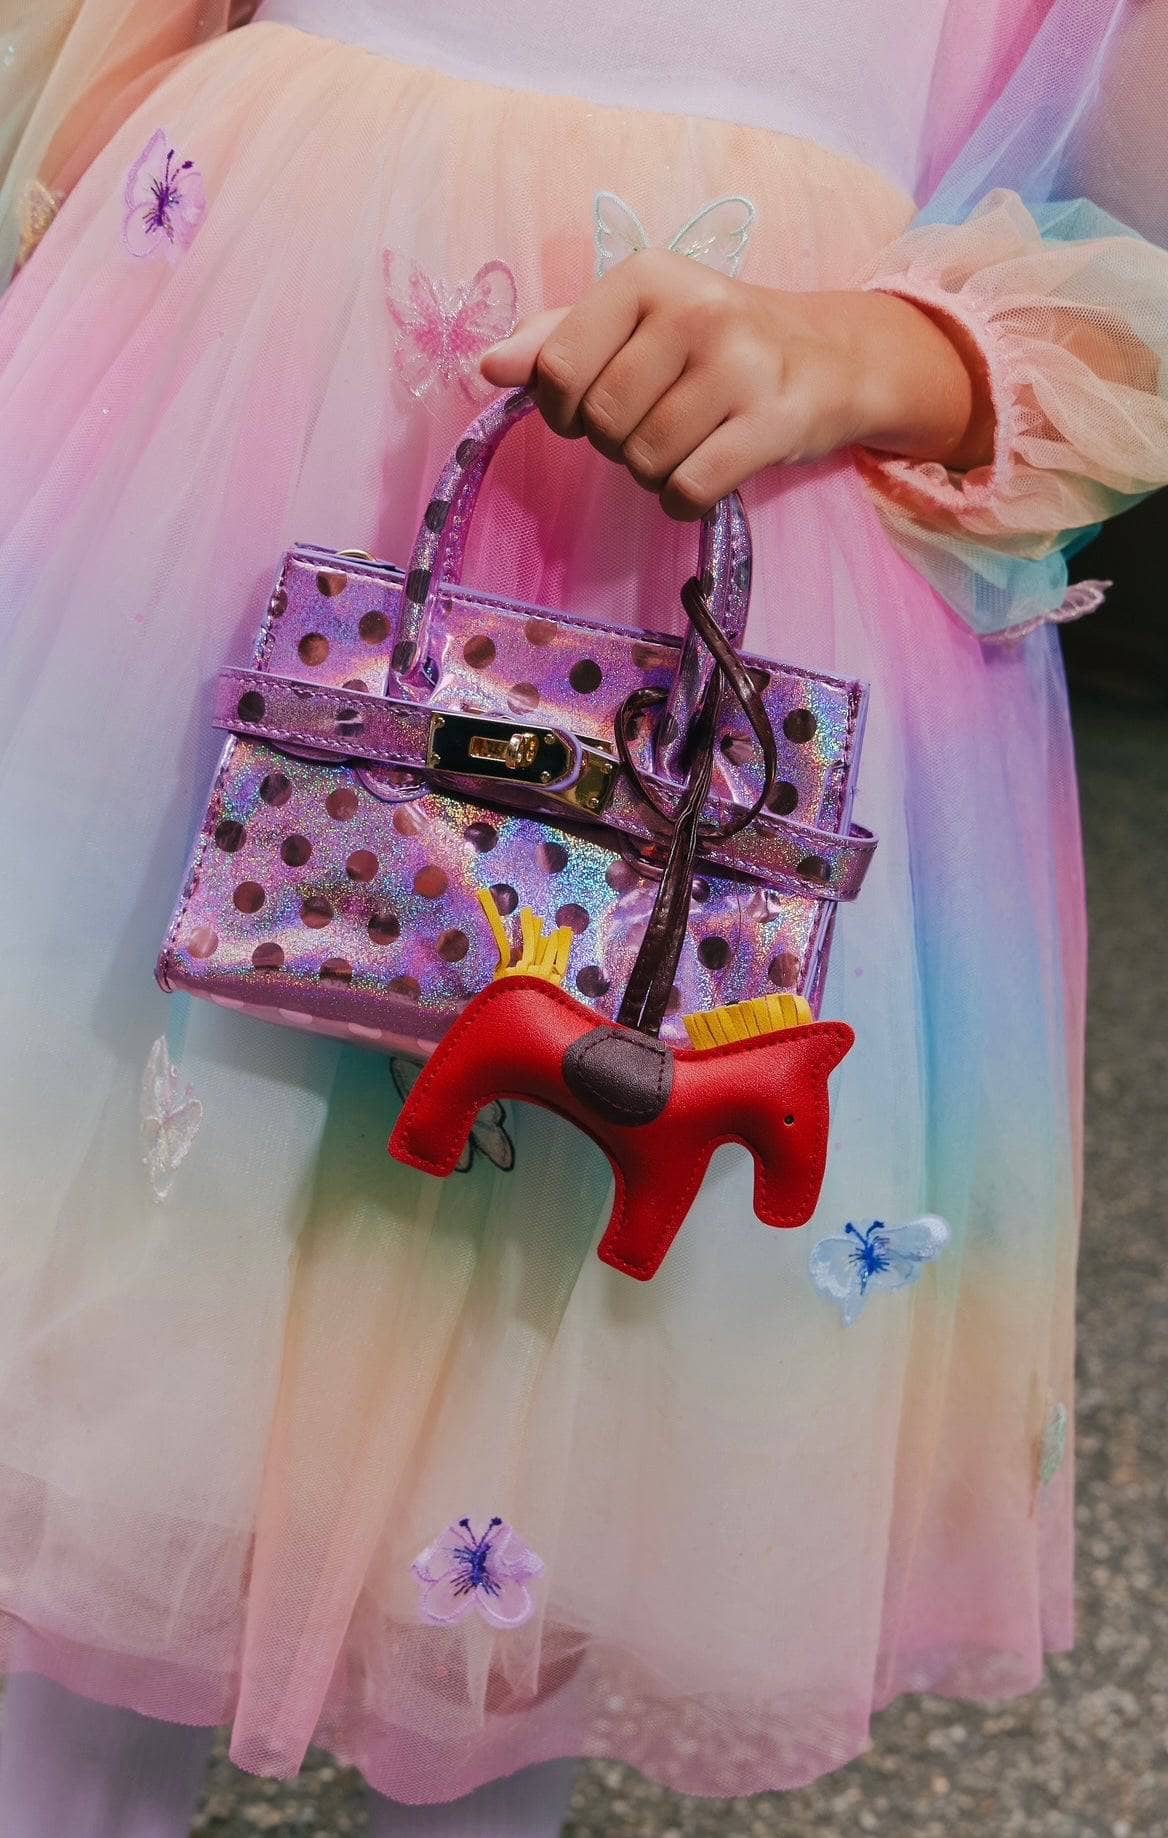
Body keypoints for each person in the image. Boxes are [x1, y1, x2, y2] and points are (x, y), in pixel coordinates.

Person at [0, 2, 1166, 1833]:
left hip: (741, 546)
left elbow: (1141, 241)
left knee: (541, 1471)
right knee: (104, 1386)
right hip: (246, 420)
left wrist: (887, 345)